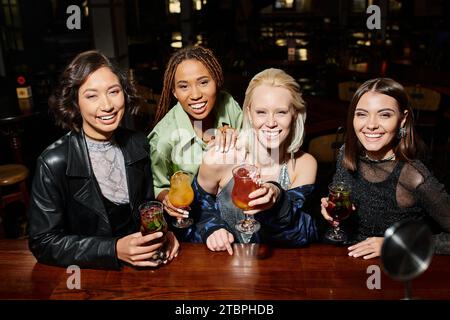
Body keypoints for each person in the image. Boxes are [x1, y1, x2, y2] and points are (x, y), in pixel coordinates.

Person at [28, 50, 179, 269]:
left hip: (142, 269)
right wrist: (113, 250)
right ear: (75, 102)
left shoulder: (139, 144)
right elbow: (43, 243)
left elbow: (148, 208)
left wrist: (164, 234)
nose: (107, 105)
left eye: (113, 91)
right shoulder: (53, 162)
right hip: (89, 276)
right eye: (91, 96)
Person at [320, 78, 450, 259]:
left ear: (402, 119)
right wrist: (331, 209)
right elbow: (343, 198)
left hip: (394, 270)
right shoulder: (346, 153)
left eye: (385, 115)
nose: (371, 125)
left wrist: (397, 243)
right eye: (362, 114)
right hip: (348, 259)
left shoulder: (413, 175)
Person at [194, 68, 318, 254]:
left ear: (295, 114)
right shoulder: (220, 156)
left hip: (279, 273)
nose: (270, 122)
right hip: (223, 270)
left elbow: (301, 234)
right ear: (249, 113)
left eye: (281, 112)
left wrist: (278, 200)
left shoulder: (304, 164)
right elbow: (192, 213)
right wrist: (211, 228)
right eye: (261, 112)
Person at [148, 45, 242, 227]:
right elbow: (157, 185)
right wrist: (167, 199)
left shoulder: (228, 104)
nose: (196, 95)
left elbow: (254, 153)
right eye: (184, 86)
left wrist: (238, 137)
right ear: (174, 92)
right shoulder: (163, 138)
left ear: (217, 81)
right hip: (194, 220)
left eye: (203, 82)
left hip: (237, 209)